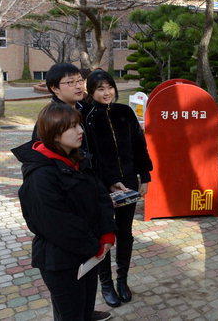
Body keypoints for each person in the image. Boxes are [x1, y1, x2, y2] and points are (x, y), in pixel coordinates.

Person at [12, 103, 117, 321]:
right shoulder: (41, 176)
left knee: (86, 310)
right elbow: (56, 223)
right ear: (54, 134)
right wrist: (94, 246)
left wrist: (107, 233)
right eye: (72, 127)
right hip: (61, 260)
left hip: (88, 254)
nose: (80, 130)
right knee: (71, 315)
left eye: (79, 124)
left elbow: (101, 198)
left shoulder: (77, 160)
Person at [83, 70, 153, 307]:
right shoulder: (88, 117)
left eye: (109, 87)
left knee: (126, 233)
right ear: (91, 92)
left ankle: (122, 280)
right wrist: (109, 180)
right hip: (102, 187)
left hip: (129, 185)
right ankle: (106, 285)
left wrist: (145, 176)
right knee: (105, 234)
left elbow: (139, 145)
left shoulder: (125, 112)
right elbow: (90, 158)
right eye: (100, 89)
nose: (106, 93)